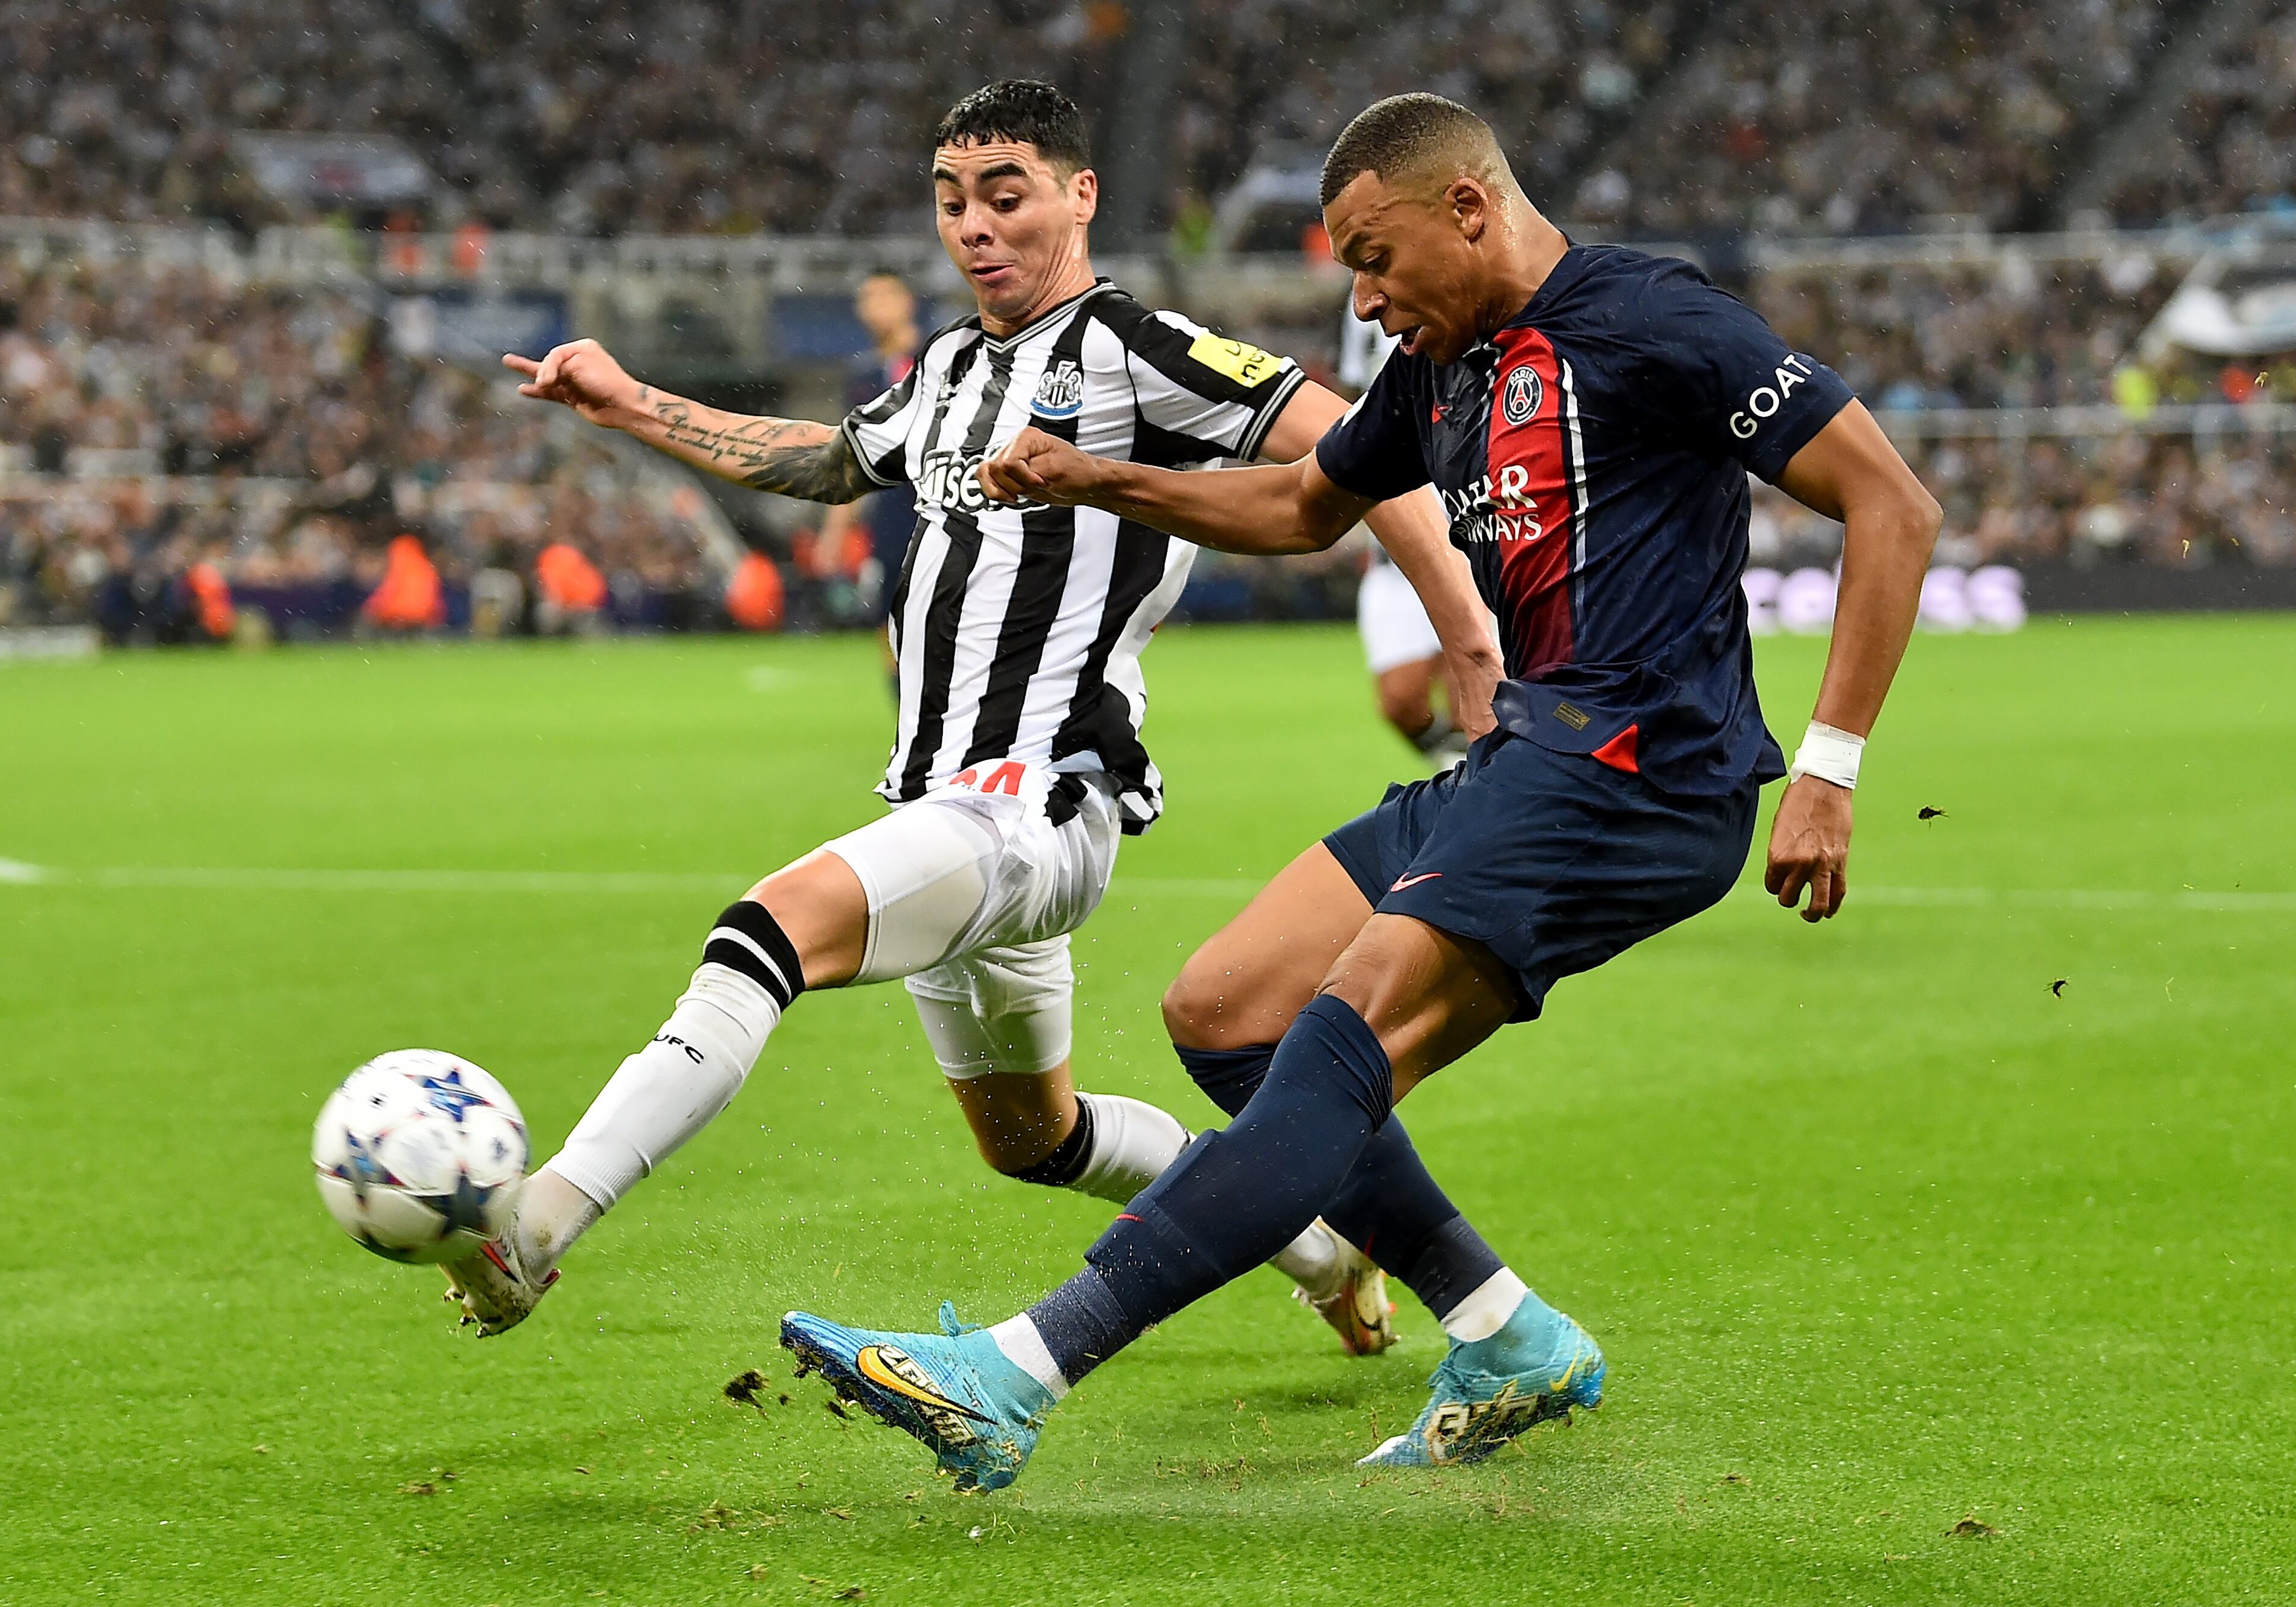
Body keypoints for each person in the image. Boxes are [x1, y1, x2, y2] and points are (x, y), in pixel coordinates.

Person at [777, 92, 1942, 1491]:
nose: (1366, 300)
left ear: (1468, 207)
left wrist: (1826, 767)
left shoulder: (1651, 321)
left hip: (1641, 769)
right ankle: (1503, 1328)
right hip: (1527, 754)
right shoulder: (1442, 370)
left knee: (1340, 1037)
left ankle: (1020, 1368)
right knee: (1226, 1013)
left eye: (1375, 259)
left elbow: (1892, 503)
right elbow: (1295, 506)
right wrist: (1096, 475)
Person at [448, 82, 1497, 1358]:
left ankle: (539, 1225)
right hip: (946, 810)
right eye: (951, 202)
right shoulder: (946, 367)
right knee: (1033, 1142)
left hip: (1036, 800)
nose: (974, 227)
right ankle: (1323, 1254)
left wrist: (1466, 638)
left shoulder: (1135, 350)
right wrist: (625, 402)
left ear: (1078, 196)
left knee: (763, 934)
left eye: (1005, 195)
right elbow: (828, 459)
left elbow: (1361, 450)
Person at [1341, 296, 1470, 769]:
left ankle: (1471, 790)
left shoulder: (1464, 295)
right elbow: (1353, 393)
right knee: (1400, 702)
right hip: (1393, 558)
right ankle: (1459, 773)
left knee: (1474, 698)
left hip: (1469, 539)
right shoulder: (1365, 304)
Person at [813, 271, 926, 689]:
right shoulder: (863, 376)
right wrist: (834, 532)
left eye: (883, 296)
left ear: (906, 301)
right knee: (893, 621)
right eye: (866, 298)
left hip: (946, 508)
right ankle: (911, 730)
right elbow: (853, 459)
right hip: (892, 519)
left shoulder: (939, 359)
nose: (873, 307)